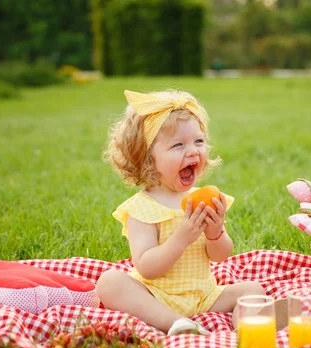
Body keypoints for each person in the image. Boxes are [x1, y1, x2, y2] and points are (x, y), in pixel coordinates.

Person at [96, 89, 265, 335]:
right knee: (110, 282)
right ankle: (177, 323)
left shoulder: (202, 198)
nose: (194, 151)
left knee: (253, 290)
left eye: (198, 141)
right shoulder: (142, 208)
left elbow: (220, 257)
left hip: (205, 295)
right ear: (148, 159)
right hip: (156, 297)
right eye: (178, 145)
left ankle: (249, 331)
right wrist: (182, 237)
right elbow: (146, 267)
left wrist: (215, 233)